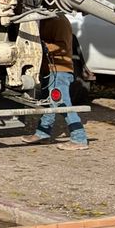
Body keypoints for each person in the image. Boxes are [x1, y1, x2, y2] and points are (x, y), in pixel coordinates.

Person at [22, 13, 89, 151]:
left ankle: (79, 137)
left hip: (60, 70)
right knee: (48, 102)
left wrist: (40, 46)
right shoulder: (46, 19)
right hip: (52, 69)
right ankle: (42, 133)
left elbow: (62, 45)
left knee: (62, 103)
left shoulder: (58, 20)